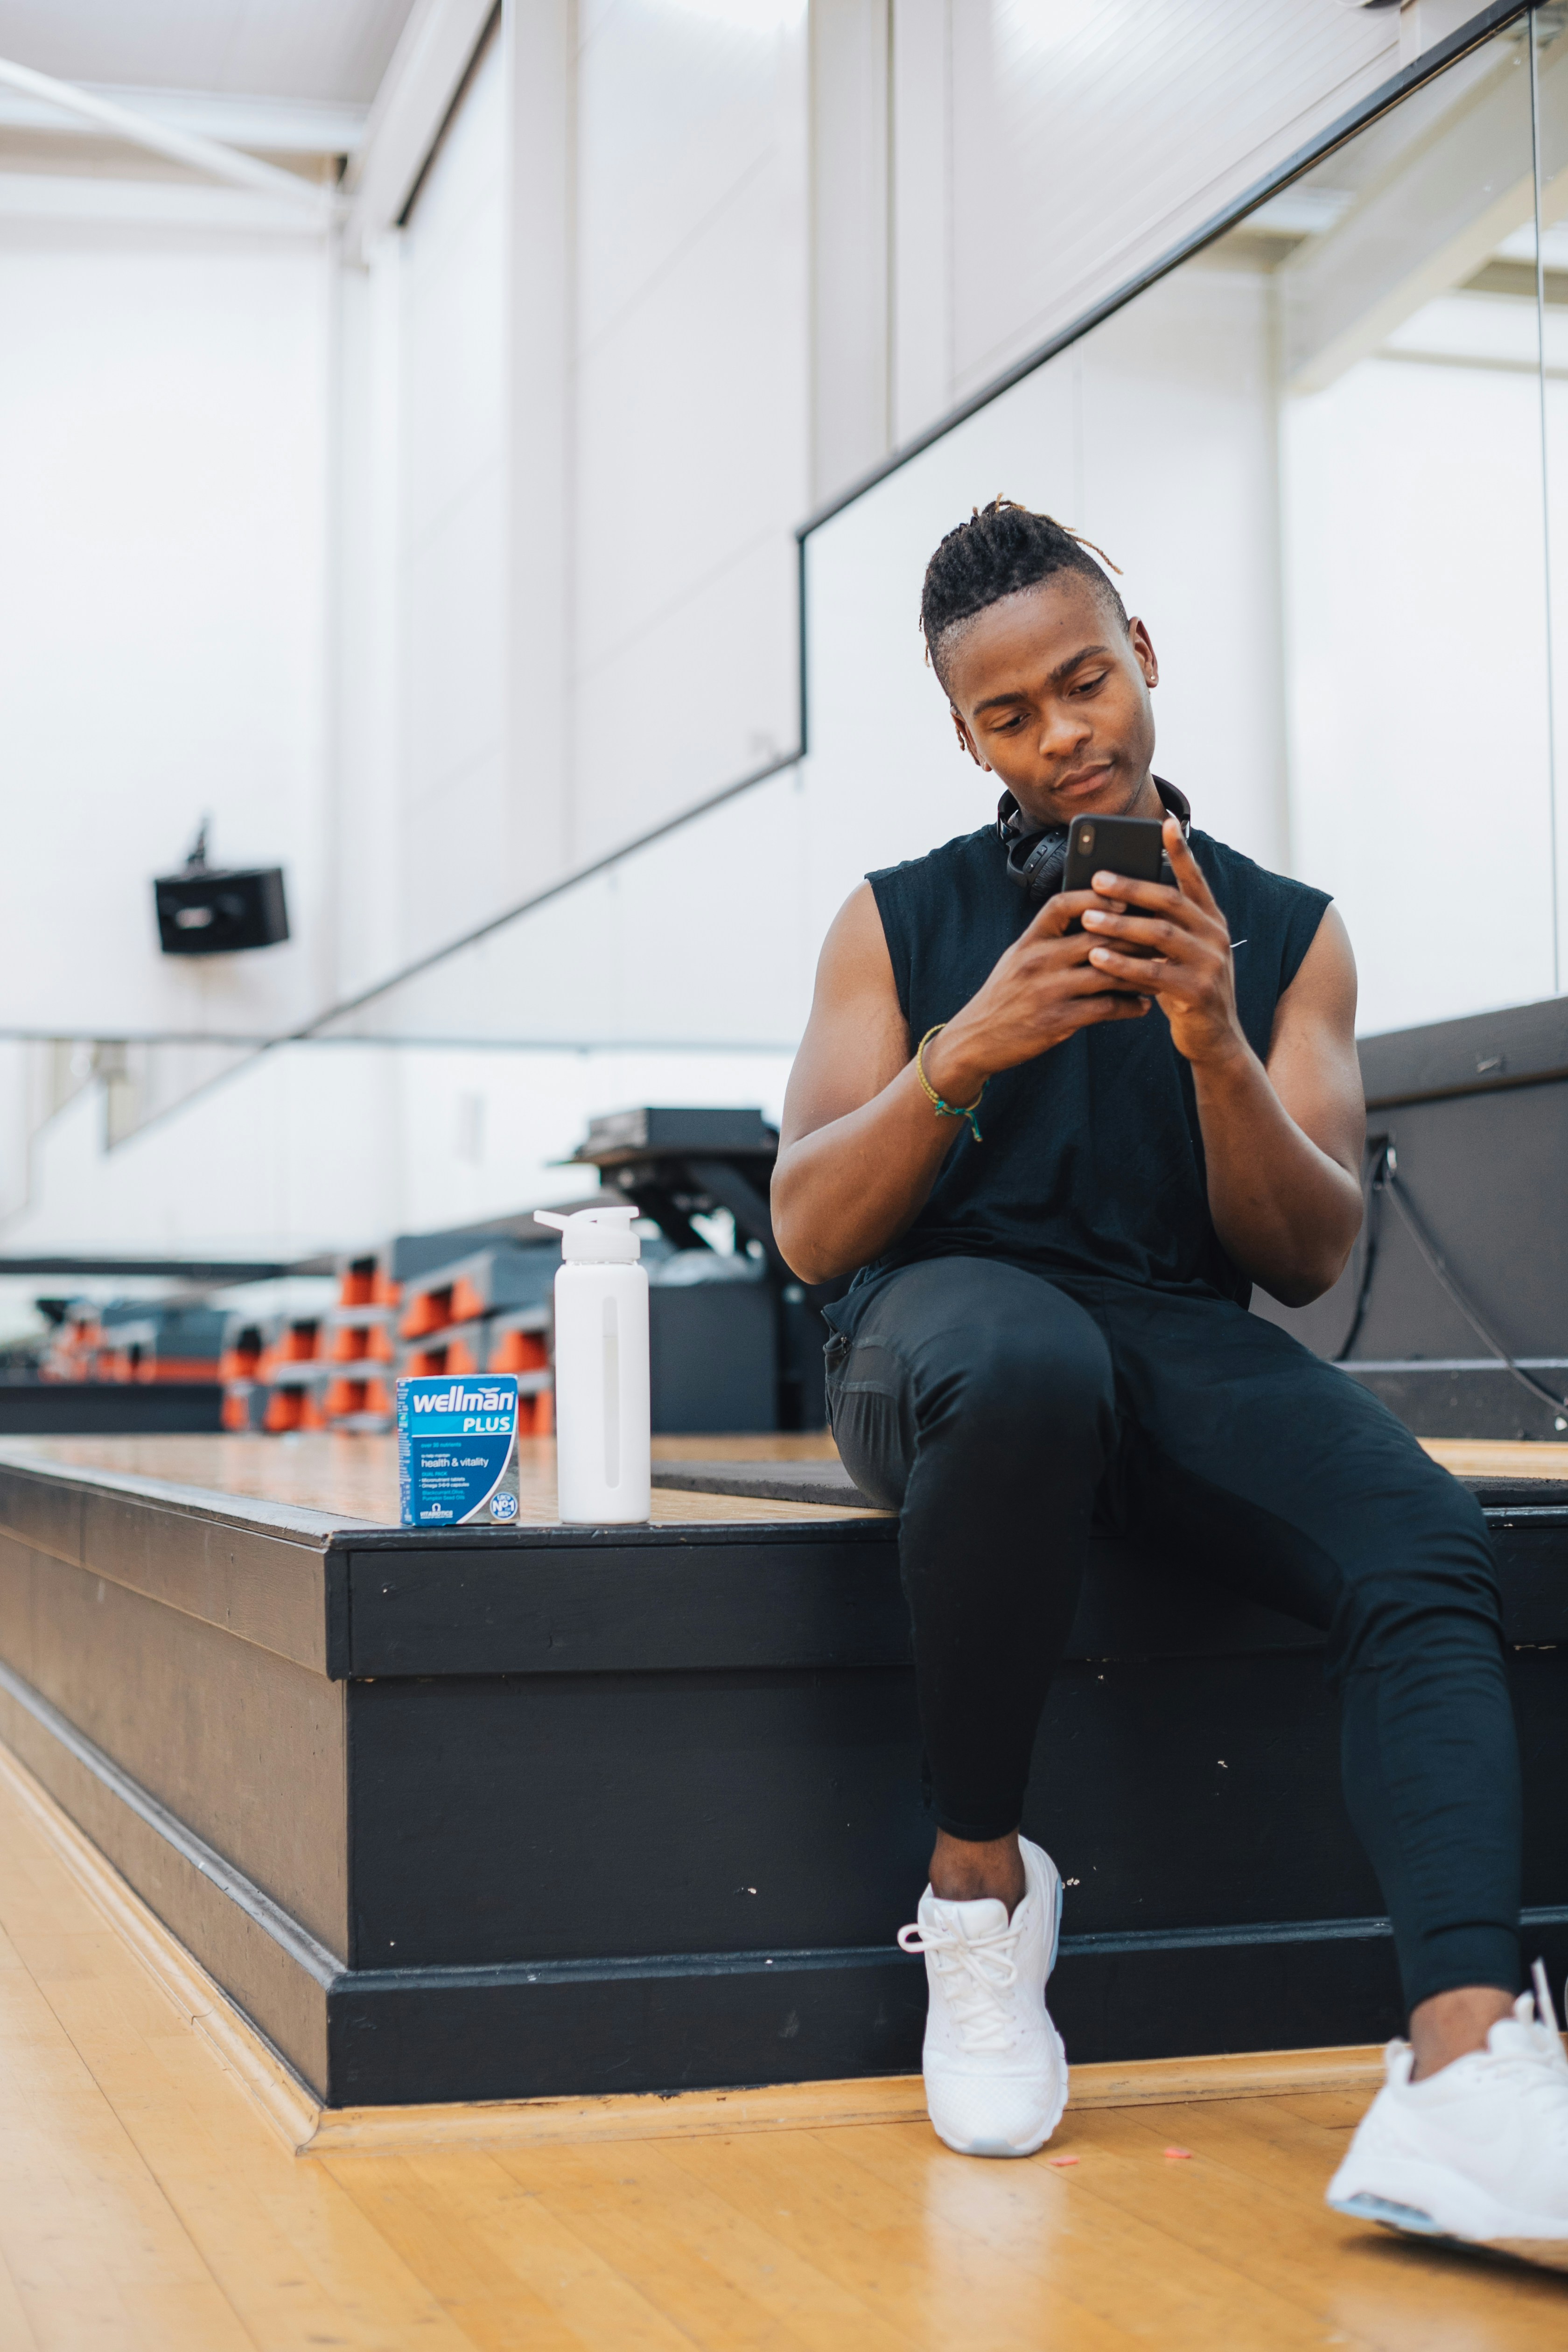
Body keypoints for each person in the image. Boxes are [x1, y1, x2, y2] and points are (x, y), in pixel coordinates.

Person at [770, 499, 1568, 2268]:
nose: (1065, 737)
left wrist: (1215, 1042)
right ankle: (978, 1895)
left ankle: (1466, 2072)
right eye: (1011, 715)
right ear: (967, 737)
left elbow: (1300, 1253)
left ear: (1145, 663)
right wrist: (972, 1042)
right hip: (940, 1340)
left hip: (1175, 1341)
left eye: (1084, 682)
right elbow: (815, 1229)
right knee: (1022, 1350)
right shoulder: (896, 921)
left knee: (1426, 1536)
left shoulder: (1292, 936)